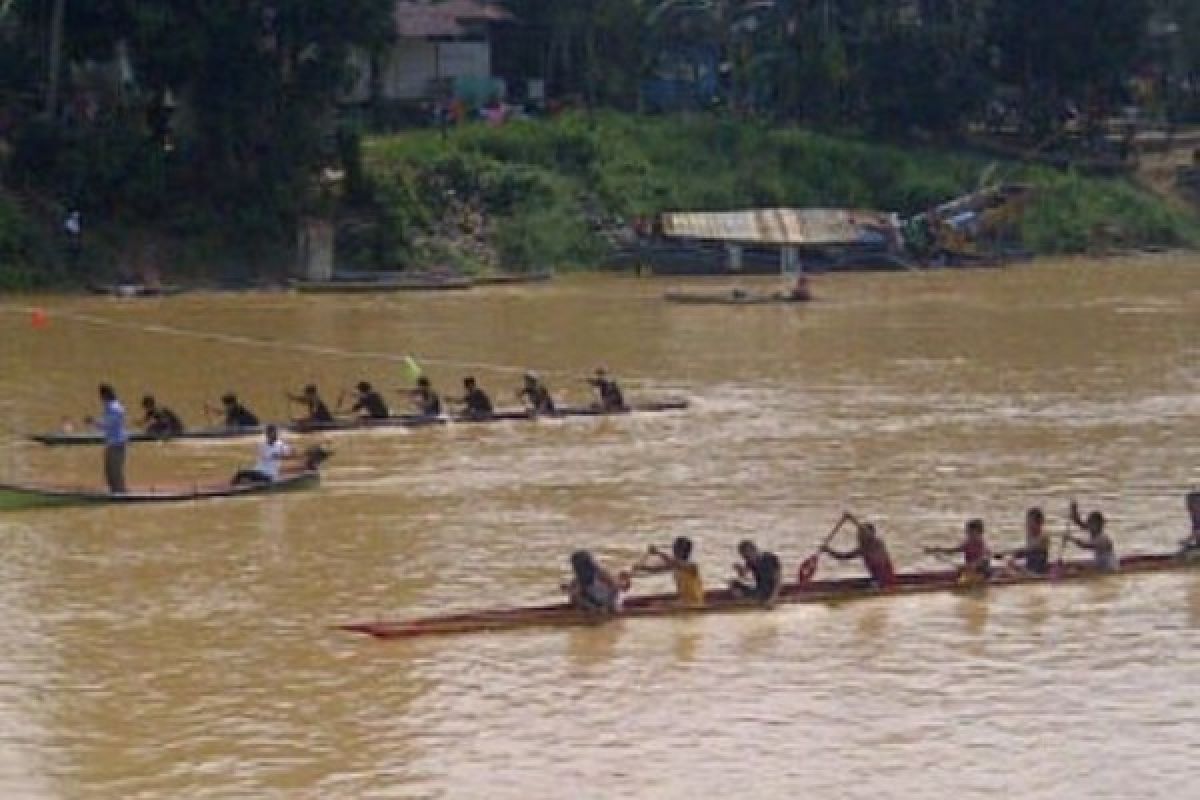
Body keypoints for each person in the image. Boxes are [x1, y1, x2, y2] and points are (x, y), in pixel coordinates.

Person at [823, 512, 897, 588]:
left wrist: (852, 518)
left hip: (888, 583)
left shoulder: (876, 543)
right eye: (858, 534)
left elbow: (865, 532)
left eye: (861, 534)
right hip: (878, 582)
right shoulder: (862, 549)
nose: (859, 536)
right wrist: (828, 550)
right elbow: (843, 557)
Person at [633, 536, 705, 608]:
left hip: (694, 603)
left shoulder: (691, 566)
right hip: (684, 601)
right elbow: (657, 569)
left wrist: (658, 552)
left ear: (680, 551)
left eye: (675, 548)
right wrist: (642, 568)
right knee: (655, 603)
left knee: (656, 605)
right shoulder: (675, 565)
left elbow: (673, 562)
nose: (673, 551)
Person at [924, 518, 992, 580]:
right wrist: (937, 550)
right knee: (961, 572)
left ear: (980, 533)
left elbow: (984, 558)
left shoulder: (982, 545)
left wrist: (973, 565)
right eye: (967, 532)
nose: (968, 534)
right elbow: (952, 551)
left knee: (980, 565)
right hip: (969, 570)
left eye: (971, 532)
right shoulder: (967, 544)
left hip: (981, 572)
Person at [91, 384, 127, 493]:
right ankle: (114, 492)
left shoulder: (114, 408)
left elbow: (108, 424)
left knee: (115, 471)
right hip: (112, 443)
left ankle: (120, 493)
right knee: (109, 471)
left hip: (117, 443)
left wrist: (93, 422)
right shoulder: (111, 406)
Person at [996, 507, 1053, 575]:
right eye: (1027, 522)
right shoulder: (1030, 534)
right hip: (1028, 564)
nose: (1027, 525)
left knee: (1010, 563)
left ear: (1039, 523)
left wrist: (1009, 553)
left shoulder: (1044, 537)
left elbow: (1029, 550)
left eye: (1030, 522)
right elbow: (1025, 551)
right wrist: (1004, 554)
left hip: (1037, 569)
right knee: (1005, 564)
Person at [1066, 501, 1118, 571]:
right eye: (1089, 523)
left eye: (1091, 524)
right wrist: (1074, 512)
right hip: (1099, 563)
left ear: (1099, 525)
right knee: (1075, 565)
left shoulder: (1102, 538)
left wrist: (1071, 538)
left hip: (1108, 566)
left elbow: (1084, 546)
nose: (1089, 526)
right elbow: (1080, 523)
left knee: (1079, 567)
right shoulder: (1094, 530)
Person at [728, 540, 783, 607]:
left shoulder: (770, 558)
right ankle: (743, 596)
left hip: (769, 591)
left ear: (754, 550)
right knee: (733, 583)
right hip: (759, 589)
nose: (747, 559)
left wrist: (773, 598)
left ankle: (744, 598)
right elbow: (744, 576)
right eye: (744, 557)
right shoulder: (750, 561)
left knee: (745, 592)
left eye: (747, 556)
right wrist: (740, 570)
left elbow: (778, 580)